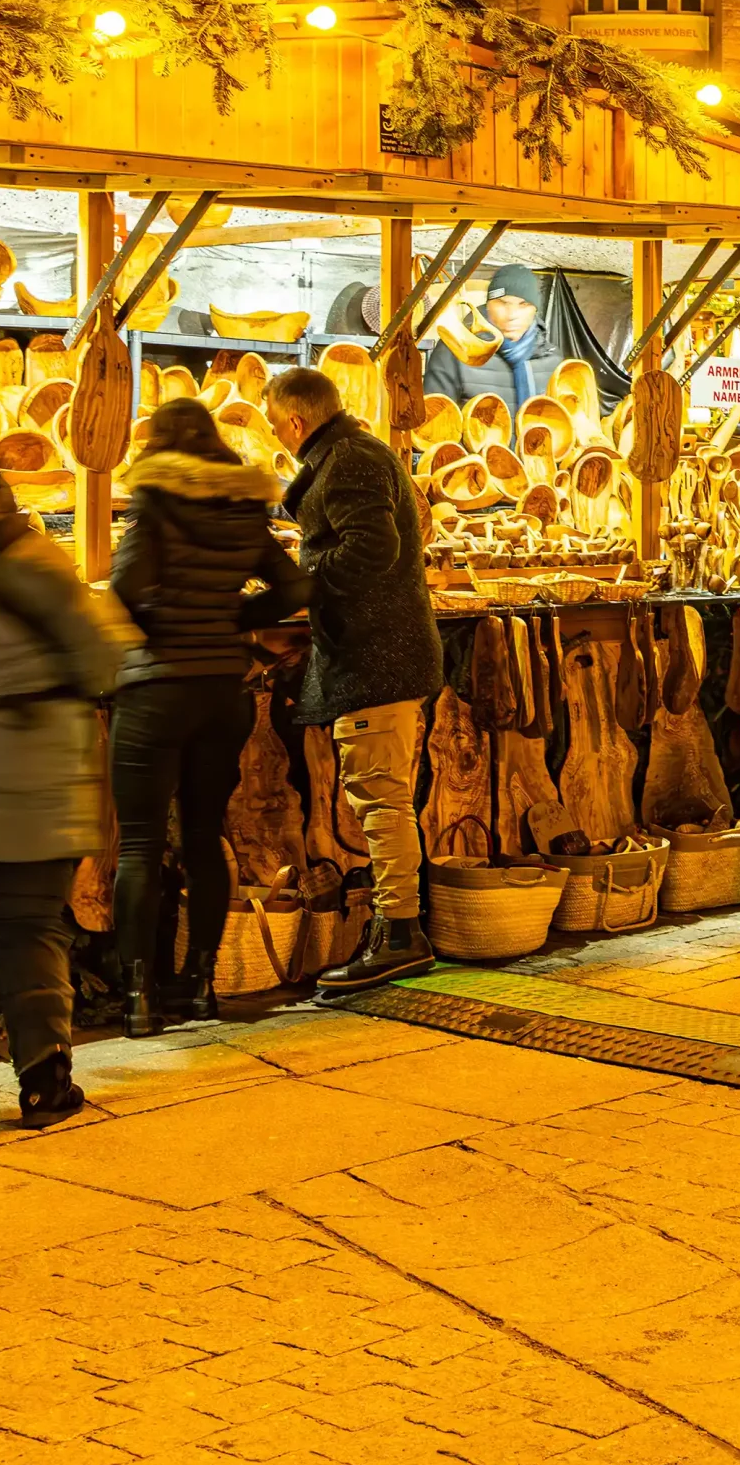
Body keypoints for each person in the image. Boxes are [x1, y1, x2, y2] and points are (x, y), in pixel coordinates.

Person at [108, 400, 311, 1033]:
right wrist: (234, 624)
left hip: (155, 691)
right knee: (203, 839)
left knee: (139, 846)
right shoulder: (243, 506)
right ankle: (199, 987)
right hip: (223, 692)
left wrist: (157, 633)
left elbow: (124, 587)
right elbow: (296, 588)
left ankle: (139, 1000)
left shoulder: (156, 501)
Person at [265, 366, 444, 994]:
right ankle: (395, 929)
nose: (278, 437)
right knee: (381, 794)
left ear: (294, 419)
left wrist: (302, 584)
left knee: (380, 798)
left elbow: (373, 549)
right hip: (377, 653)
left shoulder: (346, 460)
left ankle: (400, 935)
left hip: (378, 656)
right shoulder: (349, 455)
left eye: (274, 425)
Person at [0, 472, 130, 1128]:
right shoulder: (38, 561)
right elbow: (106, 659)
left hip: (25, 776)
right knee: (29, 928)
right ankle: (45, 1079)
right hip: (33, 781)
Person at [420, 262, 571, 416]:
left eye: (523, 304)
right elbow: (431, 427)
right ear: (489, 305)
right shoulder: (456, 351)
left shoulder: (552, 359)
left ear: (534, 310)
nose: (512, 315)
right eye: (503, 303)